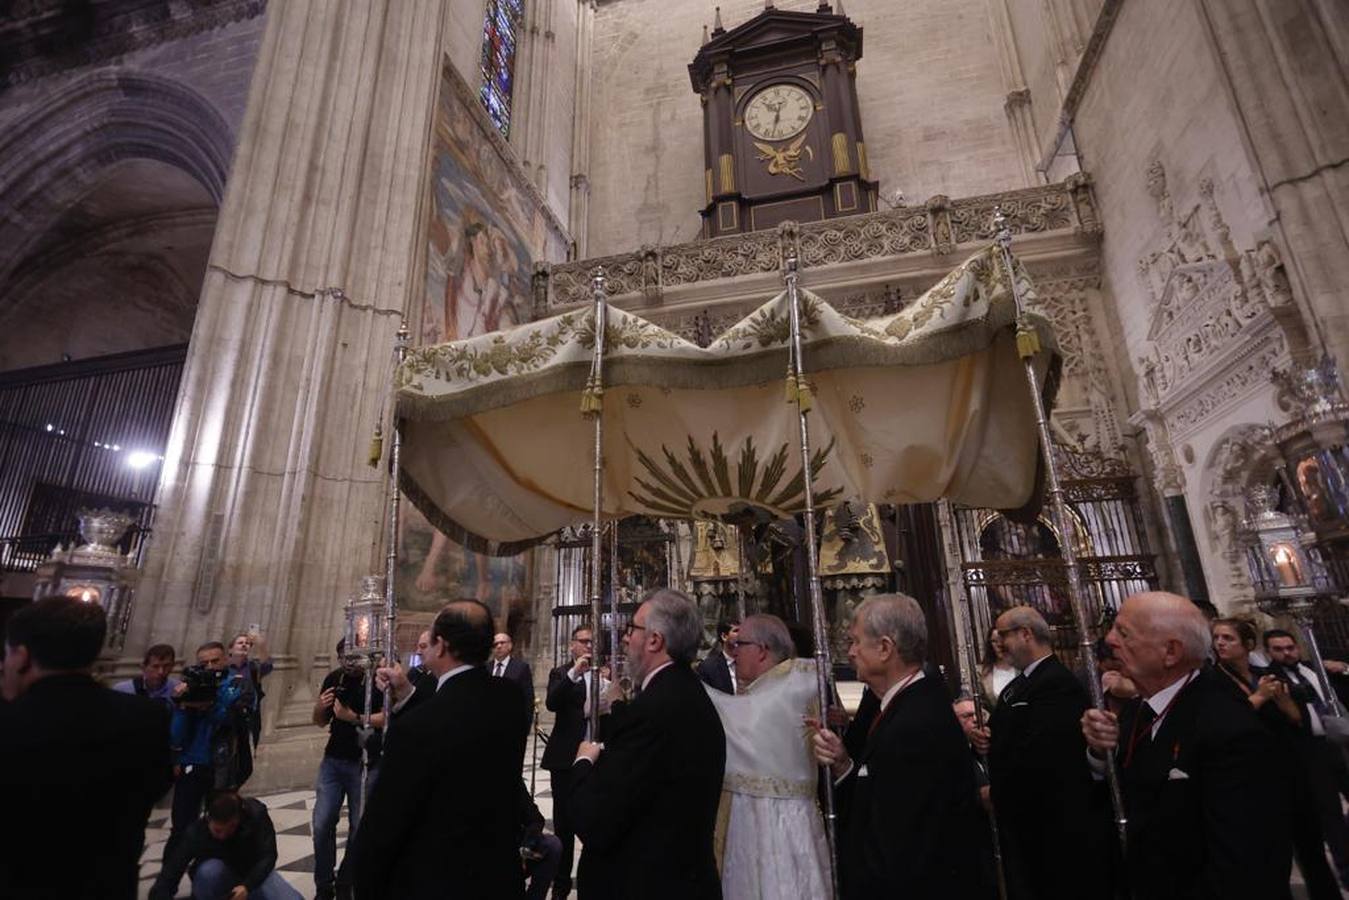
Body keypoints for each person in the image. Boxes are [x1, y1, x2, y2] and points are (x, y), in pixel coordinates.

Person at [1080, 592, 1290, 900]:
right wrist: (1100, 753)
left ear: (1170, 652)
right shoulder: (1141, 708)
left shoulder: (1228, 726)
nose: (1109, 640)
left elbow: (1246, 860)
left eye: (1123, 633)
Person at [811, 593, 987, 900]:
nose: (850, 652)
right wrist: (843, 765)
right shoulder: (906, 704)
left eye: (855, 642)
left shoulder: (914, 725)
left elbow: (898, 846)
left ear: (884, 648)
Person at [348, 600, 527, 899]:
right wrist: (408, 694)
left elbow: (384, 828)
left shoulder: (414, 730)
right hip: (496, 876)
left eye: (429, 637)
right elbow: (459, 714)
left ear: (441, 646)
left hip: (436, 880)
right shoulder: (508, 698)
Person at [0, 596, 172, 900]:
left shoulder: (11, 723)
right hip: (108, 886)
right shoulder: (146, 718)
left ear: (23, 657)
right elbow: (156, 786)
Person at [571, 588, 726, 900]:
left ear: (655, 640)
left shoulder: (655, 709)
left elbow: (597, 819)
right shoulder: (687, 692)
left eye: (633, 629)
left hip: (648, 882)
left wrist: (583, 763)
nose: (627, 639)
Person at [704, 613, 831, 898]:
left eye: (740, 645)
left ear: (761, 650)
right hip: (786, 821)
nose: (733, 654)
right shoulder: (785, 684)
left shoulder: (790, 687)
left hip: (771, 824)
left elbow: (731, 718)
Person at [1212, 619, 1337, 899]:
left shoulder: (1266, 672)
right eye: (1217, 637)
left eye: (1228, 638)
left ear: (1247, 645)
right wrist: (1259, 697)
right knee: (1271, 854)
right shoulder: (1215, 680)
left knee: (1311, 846)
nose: (1220, 643)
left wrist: (1281, 700)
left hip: (1290, 768)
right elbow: (1228, 721)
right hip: (1254, 778)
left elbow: (1296, 718)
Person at [982, 605, 1096, 900]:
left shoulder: (1056, 684)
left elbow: (1043, 755)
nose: (999, 644)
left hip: (1048, 824)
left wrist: (996, 793)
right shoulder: (1022, 683)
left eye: (1003, 635)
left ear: (1025, 634)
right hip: (1024, 822)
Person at [1264, 628, 1349, 889]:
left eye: (1290, 647)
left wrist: (1344, 667)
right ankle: (1347, 872)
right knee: (1330, 814)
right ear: (1269, 652)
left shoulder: (1316, 669)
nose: (1287, 653)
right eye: (1278, 649)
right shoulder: (1270, 680)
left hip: (1340, 744)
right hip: (1308, 750)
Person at [312, 639, 385, 900]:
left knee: (358, 826)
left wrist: (352, 717)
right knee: (322, 822)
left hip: (364, 763)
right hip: (333, 760)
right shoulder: (334, 678)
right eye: (344, 657)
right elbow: (320, 721)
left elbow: (387, 718)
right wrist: (321, 707)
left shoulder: (378, 680)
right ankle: (323, 883)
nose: (349, 662)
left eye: (353, 657)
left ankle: (346, 880)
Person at [167, 640, 250, 859]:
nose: (211, 667)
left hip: (222, 766)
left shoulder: (237, 685)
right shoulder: (190, 687)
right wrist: (183, 706)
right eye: (204, 664)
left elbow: (231, 719)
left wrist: (209, 705)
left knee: (221, 827)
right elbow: (176, 735)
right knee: (181, 826)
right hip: (192, 763)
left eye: (215, 661)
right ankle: (169, 879)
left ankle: (211, 879)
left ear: (225, 660)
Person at [541, 624, 607, 900]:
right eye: (584, 641)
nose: (590, 646)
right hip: (565, 757)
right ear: (572, 645)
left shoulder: (602, 675)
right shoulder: (561, 673)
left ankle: (598, 879)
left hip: (597, 754)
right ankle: (561, 882)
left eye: (594, 642)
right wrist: (574, 673)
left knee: (597, 819)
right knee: (565, 824)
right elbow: (552, 703)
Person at [150, 788, 302, 900]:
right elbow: (171, 871)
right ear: (208, 819)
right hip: (216, 876)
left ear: (237, 819)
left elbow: (268, 856)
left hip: (252, 872)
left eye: (230, 828)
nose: (222, 835)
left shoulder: (256, 814)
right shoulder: (197, 831)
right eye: (217, 831)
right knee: (208, 872)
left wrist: (247, 886)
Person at [114, 642, 181, 713]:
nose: (161, 672)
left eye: (166, 666)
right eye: (155, 666)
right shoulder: (122, 689)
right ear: (143, 667)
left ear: (172, 666)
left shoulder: (179, 687)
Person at [491, 630, 535, 733]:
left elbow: (528, 699)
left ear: (510, 646)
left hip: (511, 725)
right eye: (495, 644)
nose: (498, 646)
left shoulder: (521, 668)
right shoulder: (486, 668)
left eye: (502, 643)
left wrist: (525, 728)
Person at [695, 619, 738, 694]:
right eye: (736, 631)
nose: (741, 635)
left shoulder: (751, 663)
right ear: (724, 636)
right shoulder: (708, 668)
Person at [979, 625, 1017, 710]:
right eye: (994, 641)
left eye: (1002, 640)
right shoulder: (982, 673)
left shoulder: (1023, 668)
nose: (999, 645)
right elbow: (980, 706)